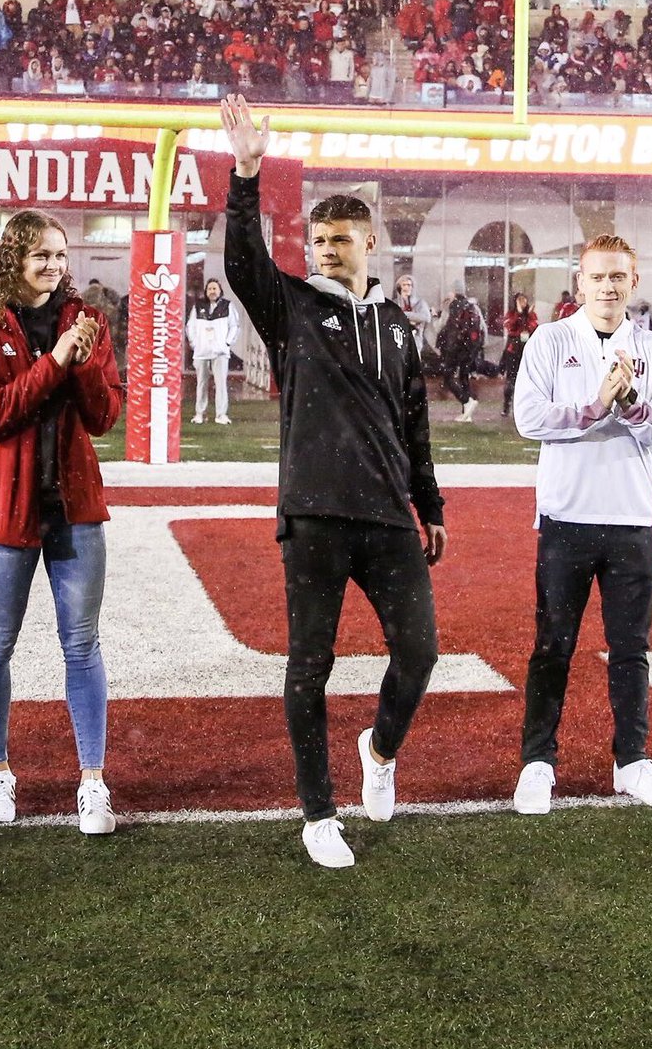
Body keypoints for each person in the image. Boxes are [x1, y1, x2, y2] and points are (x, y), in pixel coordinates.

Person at [220, 94, 446, 869]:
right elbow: (242, 261)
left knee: (418, 653)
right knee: (308, 665)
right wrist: (247, 173)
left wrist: (430, 505)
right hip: (314, 513)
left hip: (386, 516)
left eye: (338, 239)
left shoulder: (395, 325)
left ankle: (378, 751)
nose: (323, 249)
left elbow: (412, 419)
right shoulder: (289, 306)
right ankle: (317, 813)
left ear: (369, 243)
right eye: (315, 239)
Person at [0, 210, 123, 834]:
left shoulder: (89, 320)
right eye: (41, 255)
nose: (54, 265)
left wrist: (79, 362)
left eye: (60, 254)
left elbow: (105, 416)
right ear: (12, 258)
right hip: (3, 508)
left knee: (82, 644)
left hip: (75, 507)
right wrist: (53, 363)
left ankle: (93, 783)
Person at [512, 233, 652, 816]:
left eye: (619, 277)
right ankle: (538, 764)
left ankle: (631, 763)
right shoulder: (550, 340)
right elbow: (528, 417)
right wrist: (594, 406)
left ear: (633, 283)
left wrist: (631, 401)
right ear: (579, 283)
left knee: (630, 650)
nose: (609, 286)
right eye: (598, 276)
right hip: (566, 517)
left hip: (633, 519)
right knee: (552, 648)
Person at [185, 278, 240, 425]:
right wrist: (195, 344)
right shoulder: (198, 306)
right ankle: (199, 414)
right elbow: (191, 326)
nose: (212, 291)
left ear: (220, 290)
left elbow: (234, 326)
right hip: (201, 352)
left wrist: (227, 343)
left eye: (215, 288)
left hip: (220, 352)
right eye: (210, 289)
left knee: (221, 383)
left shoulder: (228, 306)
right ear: (206, 291)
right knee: (201, 383)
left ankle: (221, 415)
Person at [438, 290, 483, 422]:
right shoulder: (471, 306)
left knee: (448, 377)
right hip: (469, 348)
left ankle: (466, 401)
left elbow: (442, 326)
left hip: (454, 348)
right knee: (464, 377)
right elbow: (482, 328)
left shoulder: (452, 306)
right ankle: (466, 413)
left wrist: (438, 314)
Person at [501, 292, 537, 417]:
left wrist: (527, 315)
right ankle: (507, 406)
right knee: (511, 379)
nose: (523, 302)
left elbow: (533, 327)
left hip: (527, 350)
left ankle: (525, 406)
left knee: (528, 380)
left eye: (524, 300)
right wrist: (519, 314)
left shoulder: (531, 314)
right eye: (520, 300)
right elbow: (510, 326)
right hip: (513, 350)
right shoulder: (511, 314)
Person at [394, 274, 431, 350]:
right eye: (404, 285)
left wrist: (405, 315)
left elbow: (426, 317)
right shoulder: (395, 303)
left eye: (409, 285)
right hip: (398, 341)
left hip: (415, 340)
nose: (407, 287)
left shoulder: (420, 302)